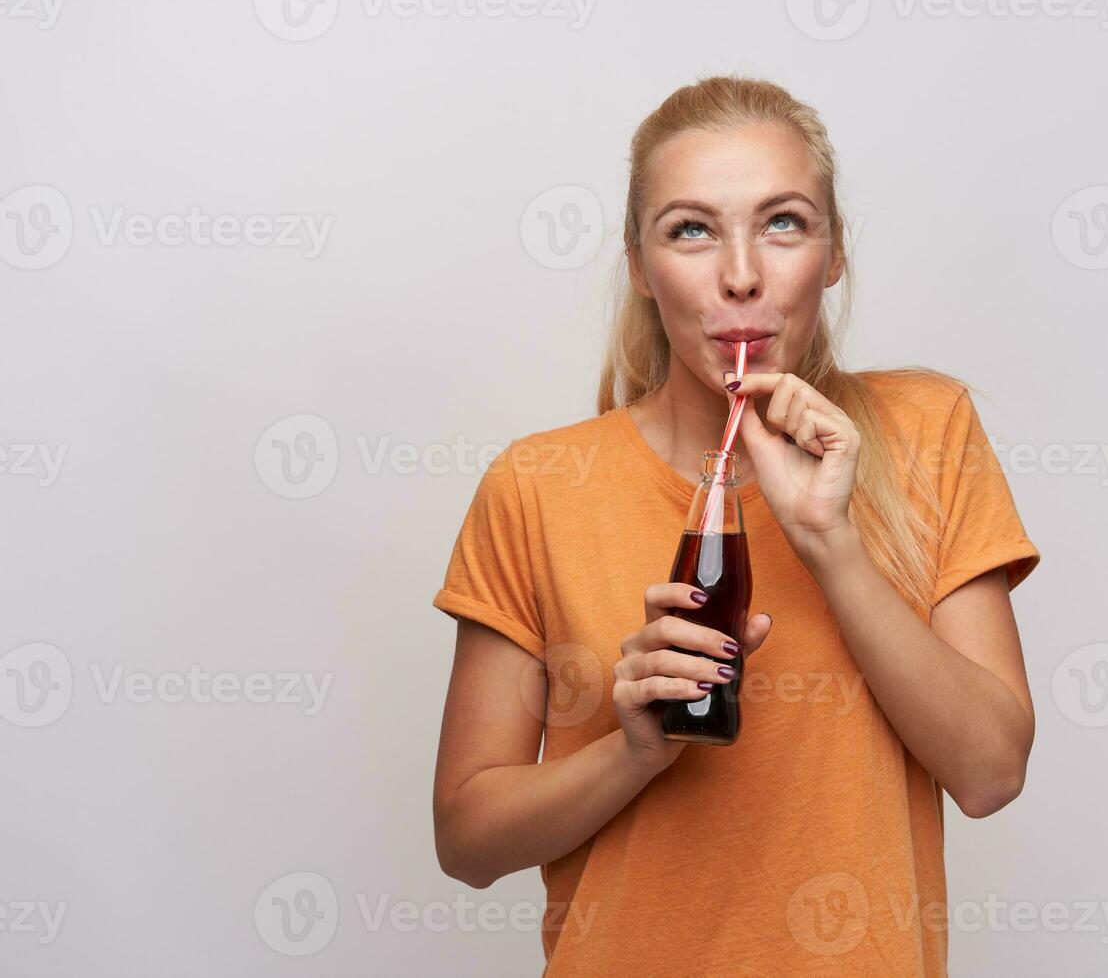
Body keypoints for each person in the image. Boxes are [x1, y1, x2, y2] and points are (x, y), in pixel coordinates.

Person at [430, 74, 1041, 977]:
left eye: (784, 222)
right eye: (691, 229)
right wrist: (633, 752)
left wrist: (831, 546)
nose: (743, 274)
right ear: (639, 266)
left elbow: (991, 773)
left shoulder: (928, 432)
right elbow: (467, 841)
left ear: (832, 253)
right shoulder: (538, 484)